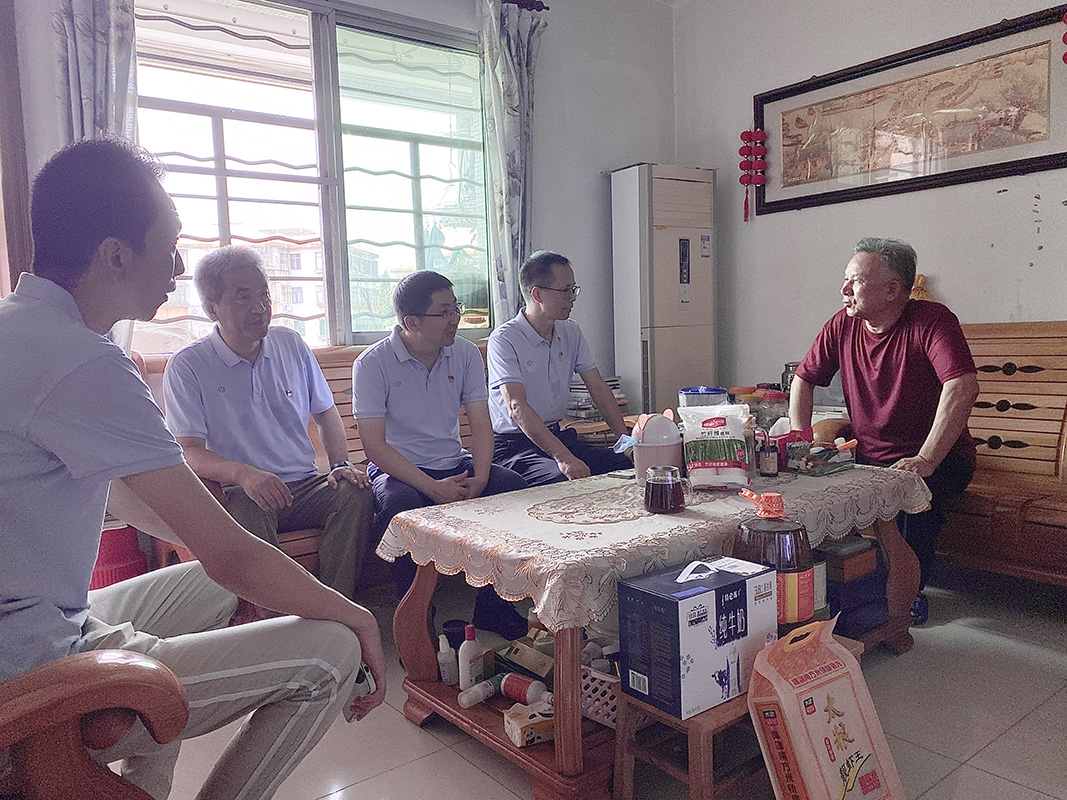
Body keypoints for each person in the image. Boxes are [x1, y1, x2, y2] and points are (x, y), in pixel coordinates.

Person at [0, 137, 386, 800]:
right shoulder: (84, 362)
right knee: (332, 652)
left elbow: (129, 500)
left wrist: (228, 552)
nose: (179, 267)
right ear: (115, 255)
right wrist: (359, 617)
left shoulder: (20, 326)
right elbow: (231, 554)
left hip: (40, 617)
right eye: (171, 243)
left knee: (210, 586)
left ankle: (145, 781)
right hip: (29, 664)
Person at [163, 246, 374, 599]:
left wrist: (340, 464)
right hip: (239, 492)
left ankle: (334, 603)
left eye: (264, 294)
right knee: (247, 505)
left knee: (355, 492)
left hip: (304, 486)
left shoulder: (290, 344)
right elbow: (190, 452)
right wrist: (245, 474)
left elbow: (325, 412)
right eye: (243, 297)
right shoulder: (188, 366)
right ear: (212, 309)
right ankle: (275, 612)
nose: (260, 307)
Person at [789, 237, 980, 625]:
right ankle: (832, 588)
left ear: (893, 289)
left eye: (855, 281)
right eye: (845, 279)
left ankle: (907, 596)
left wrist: (926, 458)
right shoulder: (842, 324)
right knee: (805, 487)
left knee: (910, 491)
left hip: (939, 458)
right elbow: (803, 380)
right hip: (866, 456)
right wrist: (799, 440)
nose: (844, 290)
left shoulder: (931, 320)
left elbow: (962, 385)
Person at [353, 270, 529, 640]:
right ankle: (415, 622)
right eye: (444, 312)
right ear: (411, 322)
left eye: (456, 308)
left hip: (454, 463)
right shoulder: (372, 363)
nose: (455, 319)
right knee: (402, 509)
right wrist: (432, 488)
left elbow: (481, 425)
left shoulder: (464, 353)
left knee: (511, 488)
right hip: (399, 470)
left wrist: (480, 478)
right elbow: (375, 447)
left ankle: (494, 607)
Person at [488, 250, 632, 486]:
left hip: (557, 436)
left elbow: (598, 388)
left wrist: (627, 443)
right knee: (560, 477)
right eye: (565, 291)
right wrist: (563, 458)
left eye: (573, 289)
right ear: (537, 294)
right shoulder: (504, 339)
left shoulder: (570, 331)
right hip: (514, 447)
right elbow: (516, 406)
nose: (572, 298)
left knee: (626, 463)